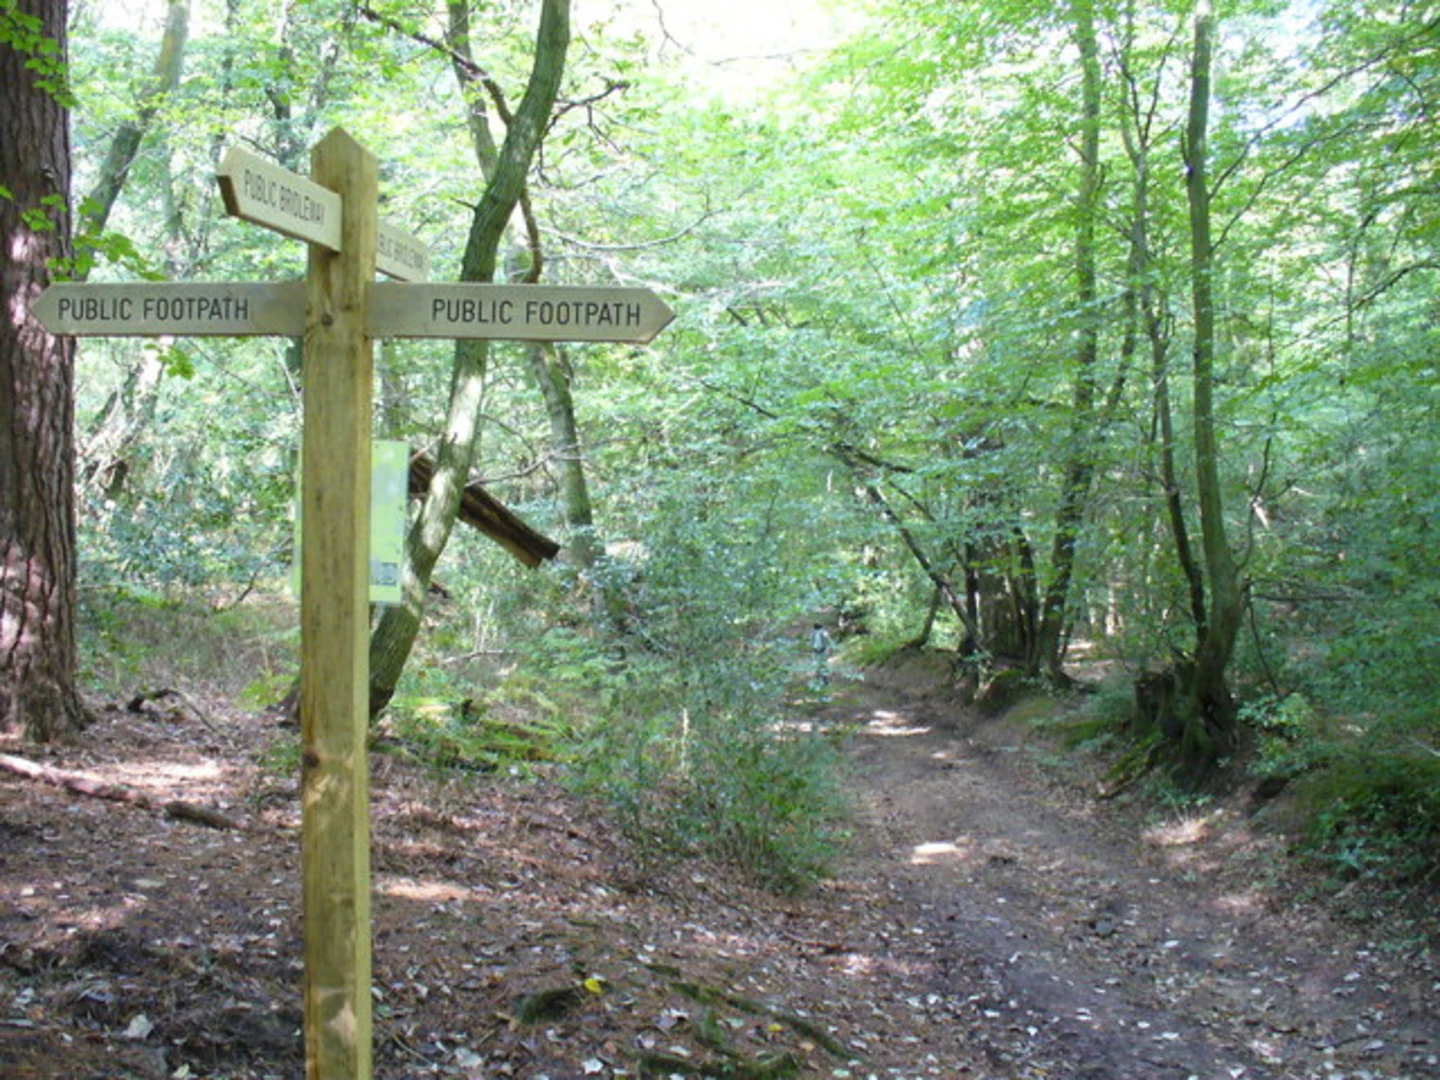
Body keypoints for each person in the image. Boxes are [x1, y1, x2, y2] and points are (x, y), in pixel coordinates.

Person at [810, 622, 834, 687]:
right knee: (822, 664)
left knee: (818, 664)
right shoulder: (823, 632)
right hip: (822, 651)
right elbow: (829, 641)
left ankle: (822, 679)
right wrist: (831, 647)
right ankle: (823, 679)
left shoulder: (814, 633)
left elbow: (811, 642)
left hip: (819, 651)